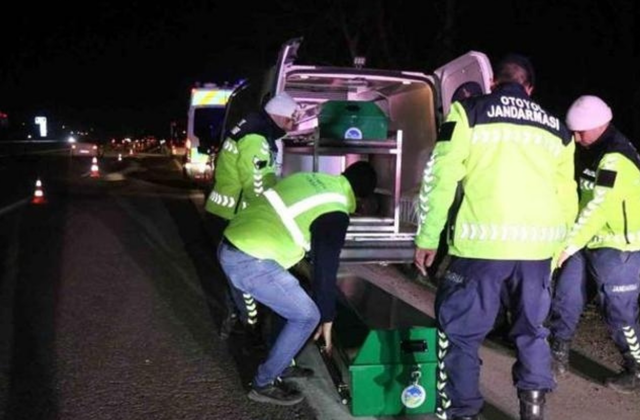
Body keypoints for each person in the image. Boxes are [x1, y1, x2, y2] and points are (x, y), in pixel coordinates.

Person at [414, 54, 577, 420]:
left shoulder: (468, 111)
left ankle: (463, 412)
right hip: (537, 253)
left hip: (482, 247)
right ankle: (532, 411)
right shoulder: (558, 129)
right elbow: (567, 197)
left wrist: (428, 237)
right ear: (530, 89)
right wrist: (559, 249)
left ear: (493, 84)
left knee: (461, 334)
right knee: (532, 332)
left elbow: (440, 178)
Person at [218, 161, 377, 406]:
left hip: (233, 242)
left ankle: (281, 364)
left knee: (295, 294)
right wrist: (327, 316)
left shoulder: (310, 179)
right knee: (306, 315)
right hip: (250, 259)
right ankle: (263, 383)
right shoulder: (336, 210)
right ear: (361, 199)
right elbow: (326, 267)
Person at [548, 95, 640, 393]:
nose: (574, 137)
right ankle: (556, 354)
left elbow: (598, 207)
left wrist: (567, 245)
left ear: (599, 126)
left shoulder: (617, 157)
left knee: (619, 312)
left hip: (619, 249)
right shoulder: (589, 149)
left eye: (579, 132)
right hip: (587, 243)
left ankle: (635, 367)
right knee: (566, 298)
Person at [203, 91, 299, 340]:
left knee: (233, 271)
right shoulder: (256, 137)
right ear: (279, 115)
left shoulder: (252, 126)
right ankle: (248, 328)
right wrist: (271, 216)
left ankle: (238, 319)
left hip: (225, 210)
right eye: (291, 120)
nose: (293, 126)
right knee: (241, 273)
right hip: (233, 213)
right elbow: (256, 185)